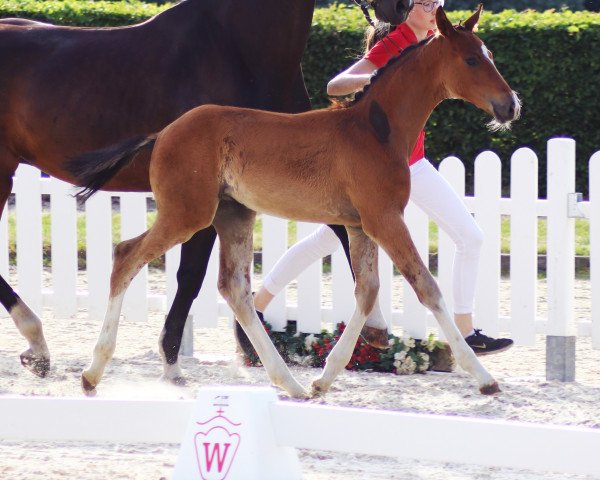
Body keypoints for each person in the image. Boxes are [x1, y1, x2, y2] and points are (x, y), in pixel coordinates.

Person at [247, 0, 513, 356]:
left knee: (470, 237)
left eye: (438, 2)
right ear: (407, 8)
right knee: (326, 239)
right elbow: (336, 86)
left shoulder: (442, 43)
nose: (433, 7)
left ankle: (466, 332)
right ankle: (257, 303)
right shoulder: (395, 43)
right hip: (378, 168)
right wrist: (381, 74)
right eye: (424, 2)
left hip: (412, 164)